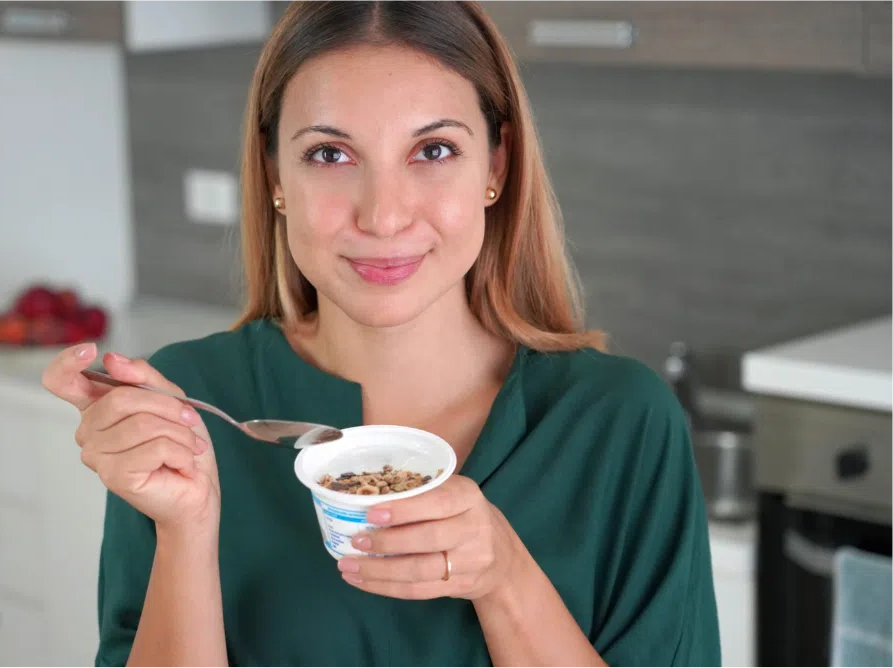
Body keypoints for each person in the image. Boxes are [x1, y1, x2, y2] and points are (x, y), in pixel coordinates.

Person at [42, 0, 721, 666]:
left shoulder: (619, 420)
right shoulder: (189, 404)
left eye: (432, 149)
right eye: (330, 155)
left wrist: (506, 578)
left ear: (495, 165)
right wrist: (185, 529)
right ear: (275, 173)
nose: (384, 215)